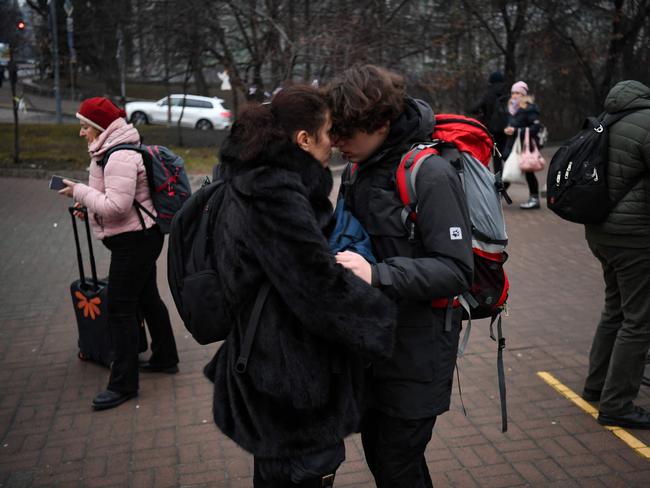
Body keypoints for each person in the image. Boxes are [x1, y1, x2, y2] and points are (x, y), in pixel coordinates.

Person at [204, 84, 397, 488]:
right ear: (303, 139)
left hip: (269, 363)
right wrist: (380, 318)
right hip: (291, 381)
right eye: (327, 132)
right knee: (302, 469)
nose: (335, 142)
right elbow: (316, 286)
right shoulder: (274, 192)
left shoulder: (254, 174)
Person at [327, 65, 474, 488]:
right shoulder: (358, 168)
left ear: (380, 124)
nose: (337, 145)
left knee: (395, 459)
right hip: (374, 343)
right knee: (384, 454)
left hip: (419, 347)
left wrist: (377, 274)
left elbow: (455, 269)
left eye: (345, 134)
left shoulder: (430, 174)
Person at [59, 97, 179, 410]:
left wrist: (78, 192)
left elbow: (116, 207)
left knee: (119, 308)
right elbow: (111, 200)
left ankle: (123, 385)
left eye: (85, 126)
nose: (82, 133)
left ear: (99, 127)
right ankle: (166, 357)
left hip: (135, 241)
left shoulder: (119, 157)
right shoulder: (109, 152)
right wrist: (88, 206)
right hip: (138, 237)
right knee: (146, 297)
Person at [581, 80, 650, 429]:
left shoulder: (606, 120)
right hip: (634, 238)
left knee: (615, 309)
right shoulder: (646, 123)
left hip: (600, 232)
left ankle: (596, 386)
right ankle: (617, 403)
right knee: (639, 320)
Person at [502, 80, 543, 209]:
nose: (514, 95)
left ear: (523, 94)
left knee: (521, 171)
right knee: (512, 171)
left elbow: (536, 127)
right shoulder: (513, 107)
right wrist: (509, 129)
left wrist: (516, 131)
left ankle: (495, 197)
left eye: (518, 93)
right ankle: (496, 197)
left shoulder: (529, 108)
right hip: (514, 145)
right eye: (513, 92)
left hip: (524, 147)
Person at [469, 71, 508, 167]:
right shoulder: (508, 93)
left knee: (496, 155)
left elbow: (473, 108)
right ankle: (509, 175)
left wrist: (482, 113)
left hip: (493, 130)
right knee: (507, 153)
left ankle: (499, 179)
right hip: (507, 128)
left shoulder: (488, 94)